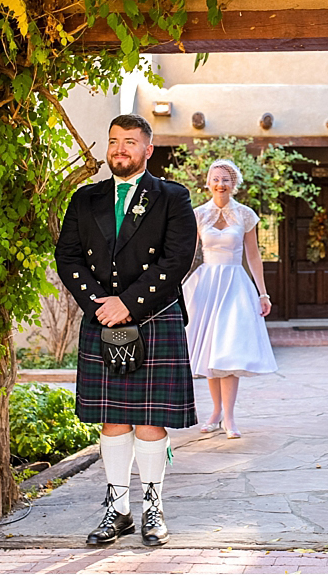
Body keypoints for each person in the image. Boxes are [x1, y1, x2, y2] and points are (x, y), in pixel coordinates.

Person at [53, 114, 199, 547]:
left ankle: (153, 508)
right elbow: (68, 256)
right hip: (103, 317)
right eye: (114, 141)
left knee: (151, 422)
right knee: (112, 420)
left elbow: (176, 260)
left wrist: (128, 303)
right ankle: (117, 511)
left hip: (154, 316)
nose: (120, 149)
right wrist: (100, 305)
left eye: (130, 142)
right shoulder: (86, 199)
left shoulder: (172, 197)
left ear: (147, 149)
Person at [181, 160, 278, 439]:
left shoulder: (246, 215)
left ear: (233, 184)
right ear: (208, 182)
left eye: (226, 179)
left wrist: (262, 292)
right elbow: (188, 253)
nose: (220, 184)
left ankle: (230, 418)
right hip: (206, 286)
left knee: (229, 348)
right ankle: (215, 412)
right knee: (212, 349)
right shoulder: (198, 214)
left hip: (235, 286)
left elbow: (253, 255)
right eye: (215, 178)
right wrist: (174, 284)